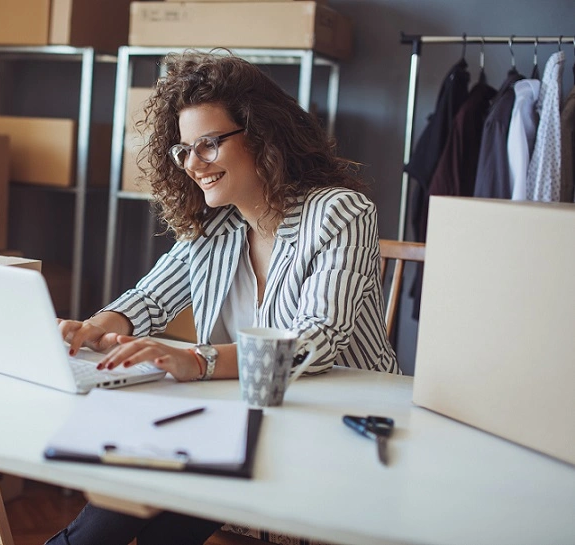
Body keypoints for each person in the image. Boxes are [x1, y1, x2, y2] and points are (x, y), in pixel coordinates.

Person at [49, 50, 398, 545]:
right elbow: (148, 299)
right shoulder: (216, 226)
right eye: (184, 150)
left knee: (153, 500)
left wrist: (196, 358)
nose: (193, 164)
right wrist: (95, 327)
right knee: (130, 494)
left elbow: (316, 339)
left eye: (208, 144)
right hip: (244, 420)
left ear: (262, 135)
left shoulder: (340, 213)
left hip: (335, 422)